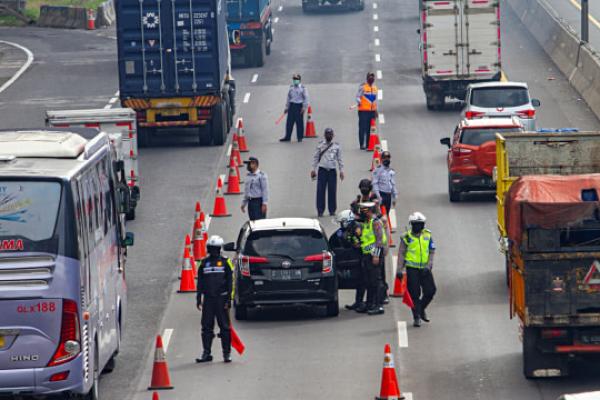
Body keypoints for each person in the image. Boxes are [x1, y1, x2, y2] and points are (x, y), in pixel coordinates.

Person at [196, 235, 235, 363]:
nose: (213, 251)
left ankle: (226, 353)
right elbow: (200, 282)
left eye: (215, 248)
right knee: (206, 327)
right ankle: (206, 353)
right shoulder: (204, 263)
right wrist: (198, 297)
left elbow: (231, 281)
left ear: (219, 249)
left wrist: (229, 298)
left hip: (222, 299)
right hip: (208, 300)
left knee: (224, 327)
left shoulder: (226, 262)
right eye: (211, 248)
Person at [396, 212, 437, 327]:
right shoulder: (407, 237)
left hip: (425, 269)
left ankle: (421, 309)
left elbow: (431, 252)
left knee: (430, 291)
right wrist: (399, 270)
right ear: (412, 224)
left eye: (421, 224)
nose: (419, 226)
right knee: (414, 294)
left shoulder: (427, 235)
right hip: (412, 269)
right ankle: (416, 317)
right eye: (416, 224)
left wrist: (428, 266)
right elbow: (401, 253)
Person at [329, 210, 365, 312]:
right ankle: (358, 302)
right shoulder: (340, 233)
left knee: (365, 281)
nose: (340, 225)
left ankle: (368, 302)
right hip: (350, 262)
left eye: (341, 222)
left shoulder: (359, 229)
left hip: (361, 260)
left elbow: (363, 244)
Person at [358, 202, 387, 315]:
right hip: (367, 255)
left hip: (374, 255)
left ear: (370, 211)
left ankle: (378, 305)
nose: (362, 213)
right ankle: (370, 304)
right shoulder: (367, 223)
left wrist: (376, 254)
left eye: (364, 210)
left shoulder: (375, 223)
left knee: (376, 281)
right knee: (368, 281)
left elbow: (379, 241)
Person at [311, 128, 344, 217]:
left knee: (332, 191)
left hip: (332, 171)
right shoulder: (320, 145)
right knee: (320, 191)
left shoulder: (336, 146)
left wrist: (341, 171)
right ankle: (320, 211)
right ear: (324, 135)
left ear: (333, 136)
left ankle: (332, 210)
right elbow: (316, 157)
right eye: (327, 134)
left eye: (330, 134)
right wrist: (313, 169)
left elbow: (340, 159)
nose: (329, 136)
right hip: (322, 170)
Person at [280, 74, 309, 142]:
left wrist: (304, 107)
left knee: (299, 123)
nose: (295, 80)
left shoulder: (303, 88)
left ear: (299, 80)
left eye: (296, 79)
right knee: (289, 122)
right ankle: (287, 137)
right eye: (294, 79)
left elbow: (306, 98)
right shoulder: (291, 87)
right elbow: (289, 97)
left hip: (299, 106)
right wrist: (287, 107)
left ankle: (300, 137)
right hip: (292, 106)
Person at [355, 72, 378, 149]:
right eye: (370, 77)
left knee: (370, 129)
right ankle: (362, 144)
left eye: (373, 77)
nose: (371, 78)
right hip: (363, 111)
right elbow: (358, 96)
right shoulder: (363, 87)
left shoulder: (375, 88)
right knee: (362, 128)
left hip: (372, 112)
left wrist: (376, 111)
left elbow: (374, 101)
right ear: (367, 78)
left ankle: (368, 144)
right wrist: (359, 101)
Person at [241, 157, 269, 221]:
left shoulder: (261, 175)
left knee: (260, 223)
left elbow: (265, 190)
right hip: (250, 202)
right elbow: (247, 191)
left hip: (258, 202)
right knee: (252, 222)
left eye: (249, 164)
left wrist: (264, 204)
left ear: (255, 164)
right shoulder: (248, 175)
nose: (248, 166)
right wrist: (243, 204)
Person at [372, 151, 397, 215]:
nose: (386, 159)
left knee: (387, 214)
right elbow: (375, 184)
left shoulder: (391, 171)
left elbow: (393, 184)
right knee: (380, 215)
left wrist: (394, 197)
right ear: (381, 159)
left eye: (388, 157)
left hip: (388, 196)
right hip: (381, 194)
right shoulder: (377, 170)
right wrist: (378, 196)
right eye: (384, 158)